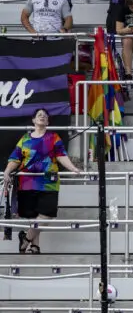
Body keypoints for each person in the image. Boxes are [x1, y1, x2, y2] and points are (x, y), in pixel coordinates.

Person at [3, 108, 81, 255]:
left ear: (48, 121)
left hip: (48, 181)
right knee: (34, 215)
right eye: (39, 115)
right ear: (33, 120)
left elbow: (61, 155)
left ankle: (25, 238)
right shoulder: (25, 140)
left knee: (47, 212)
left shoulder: (54, 138)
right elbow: (15, 159)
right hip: (27, 182)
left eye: (45, 116)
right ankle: (35, 246)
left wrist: (73, 168)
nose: (42, 117)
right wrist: (7, 172)